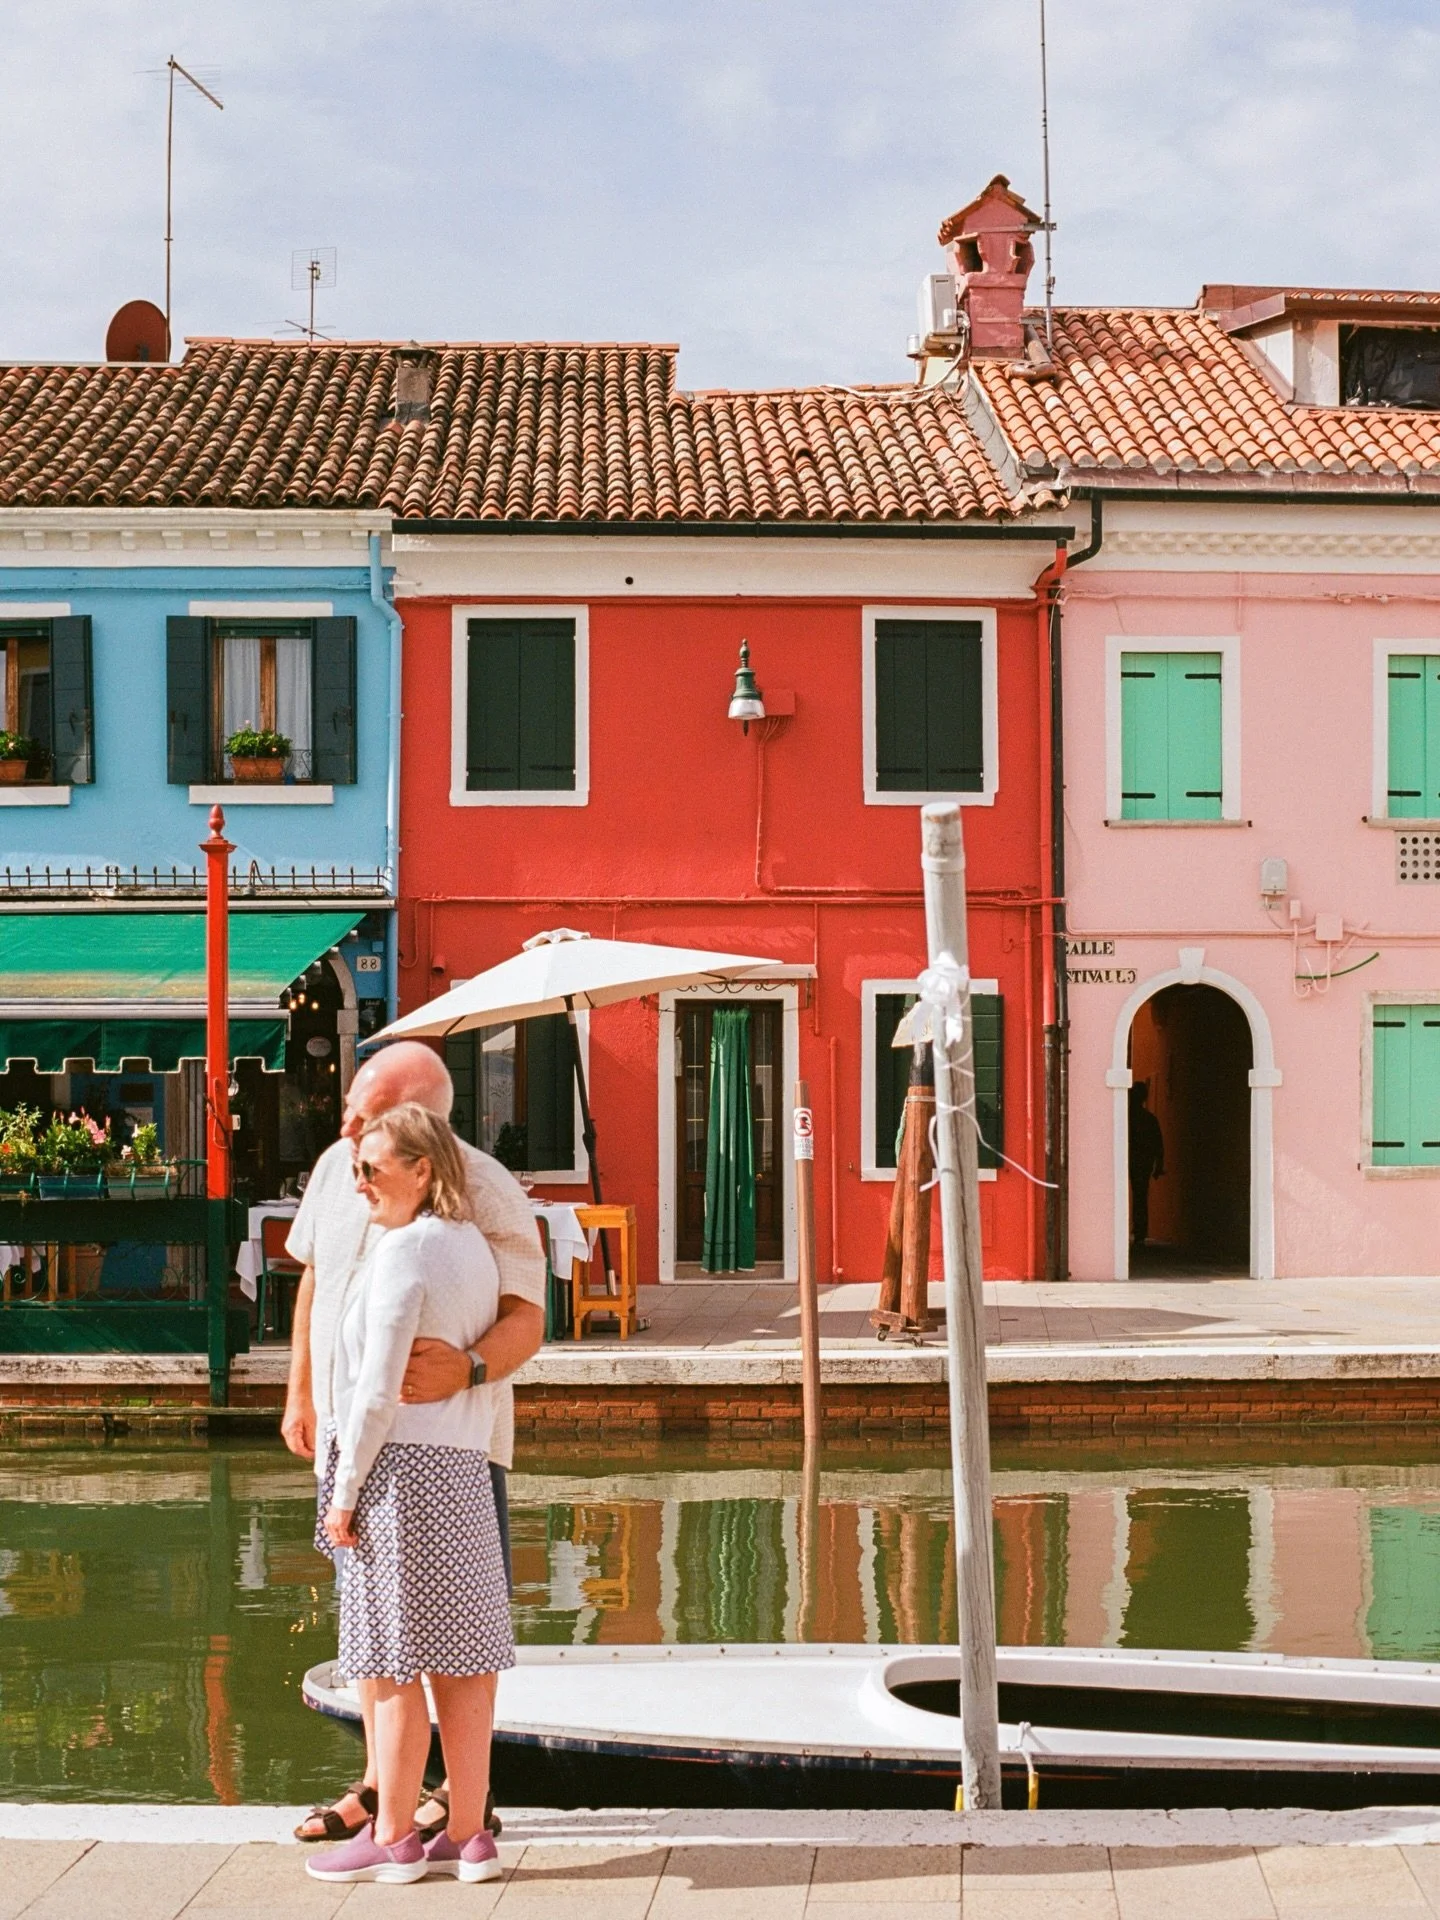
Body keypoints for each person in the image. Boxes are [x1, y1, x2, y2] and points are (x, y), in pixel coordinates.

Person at [283, 1040, 546, 1845]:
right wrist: (300, 1392)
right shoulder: (340, 1169)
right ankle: (381, 1786)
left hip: (445, 1443)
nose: (347, 1120)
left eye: (366, 1108)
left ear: (421, 1117)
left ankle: (465, 1802)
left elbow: (528, 1316)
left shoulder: (485, 1189)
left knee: (455, 1625)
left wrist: (467, 1370)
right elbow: (315, 1278)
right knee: (370, 1625)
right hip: (349, 1433)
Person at [307, 1104, 512, 1886]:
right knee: (464, 1666)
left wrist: (344, 1492)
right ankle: (467, 1835)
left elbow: (374, 1391)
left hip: (396, 1475)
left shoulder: (404, 1251)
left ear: (423, 1169)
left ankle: (392, 1836)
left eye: (372, 1168)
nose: (358, 1184)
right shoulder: (473, 1251)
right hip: (461, 1468)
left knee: (386, 1665)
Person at [1128, 1080, 1165, 1249]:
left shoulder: (1125, 1118)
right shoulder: (1150, 1119)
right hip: (1143, 1162)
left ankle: (1136, 1232)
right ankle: (1140, 1233)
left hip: (1132, 1160)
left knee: (1134, 1196)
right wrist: (1158, 1166)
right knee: (1141, 1197)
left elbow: (1158, 1144)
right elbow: (1159, 1145)